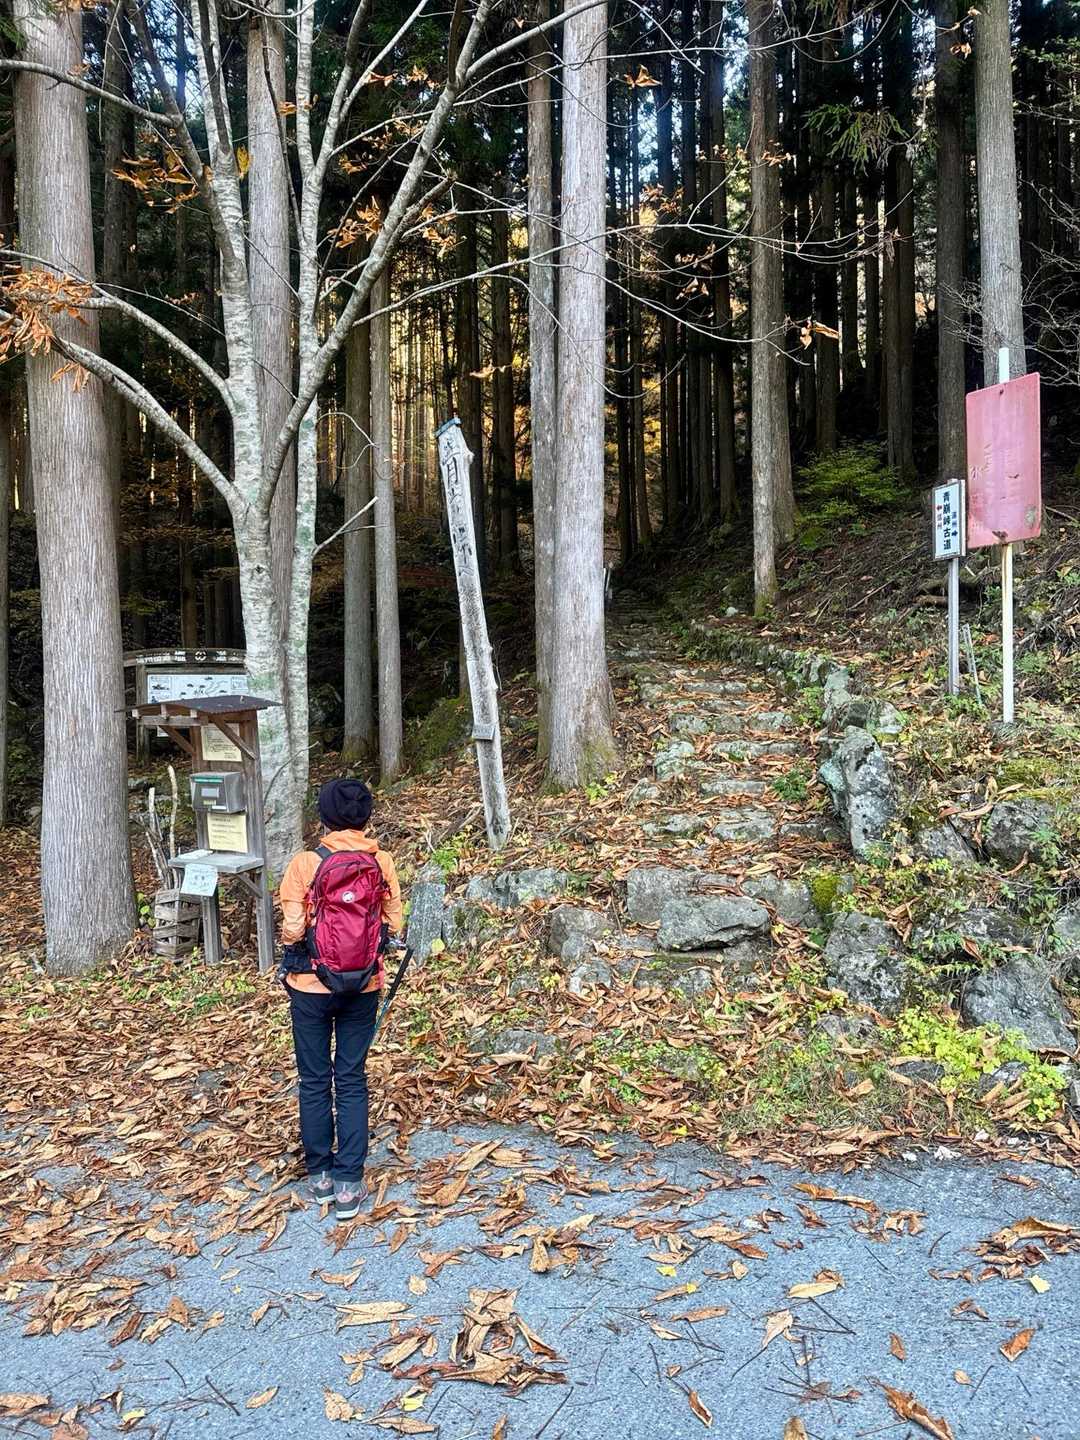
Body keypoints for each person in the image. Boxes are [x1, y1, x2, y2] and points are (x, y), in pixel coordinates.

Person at [278, 778, 402, 1220]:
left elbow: (293, 928)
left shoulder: (305, 863)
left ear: (324, 817)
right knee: (351, 1077)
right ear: (366, 817)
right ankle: (350, 1183)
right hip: (363, 985)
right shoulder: (381, 862)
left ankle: (321, 1179)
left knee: (314, 1079)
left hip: (309, 986)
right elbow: (393, 924)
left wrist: (305, 943)